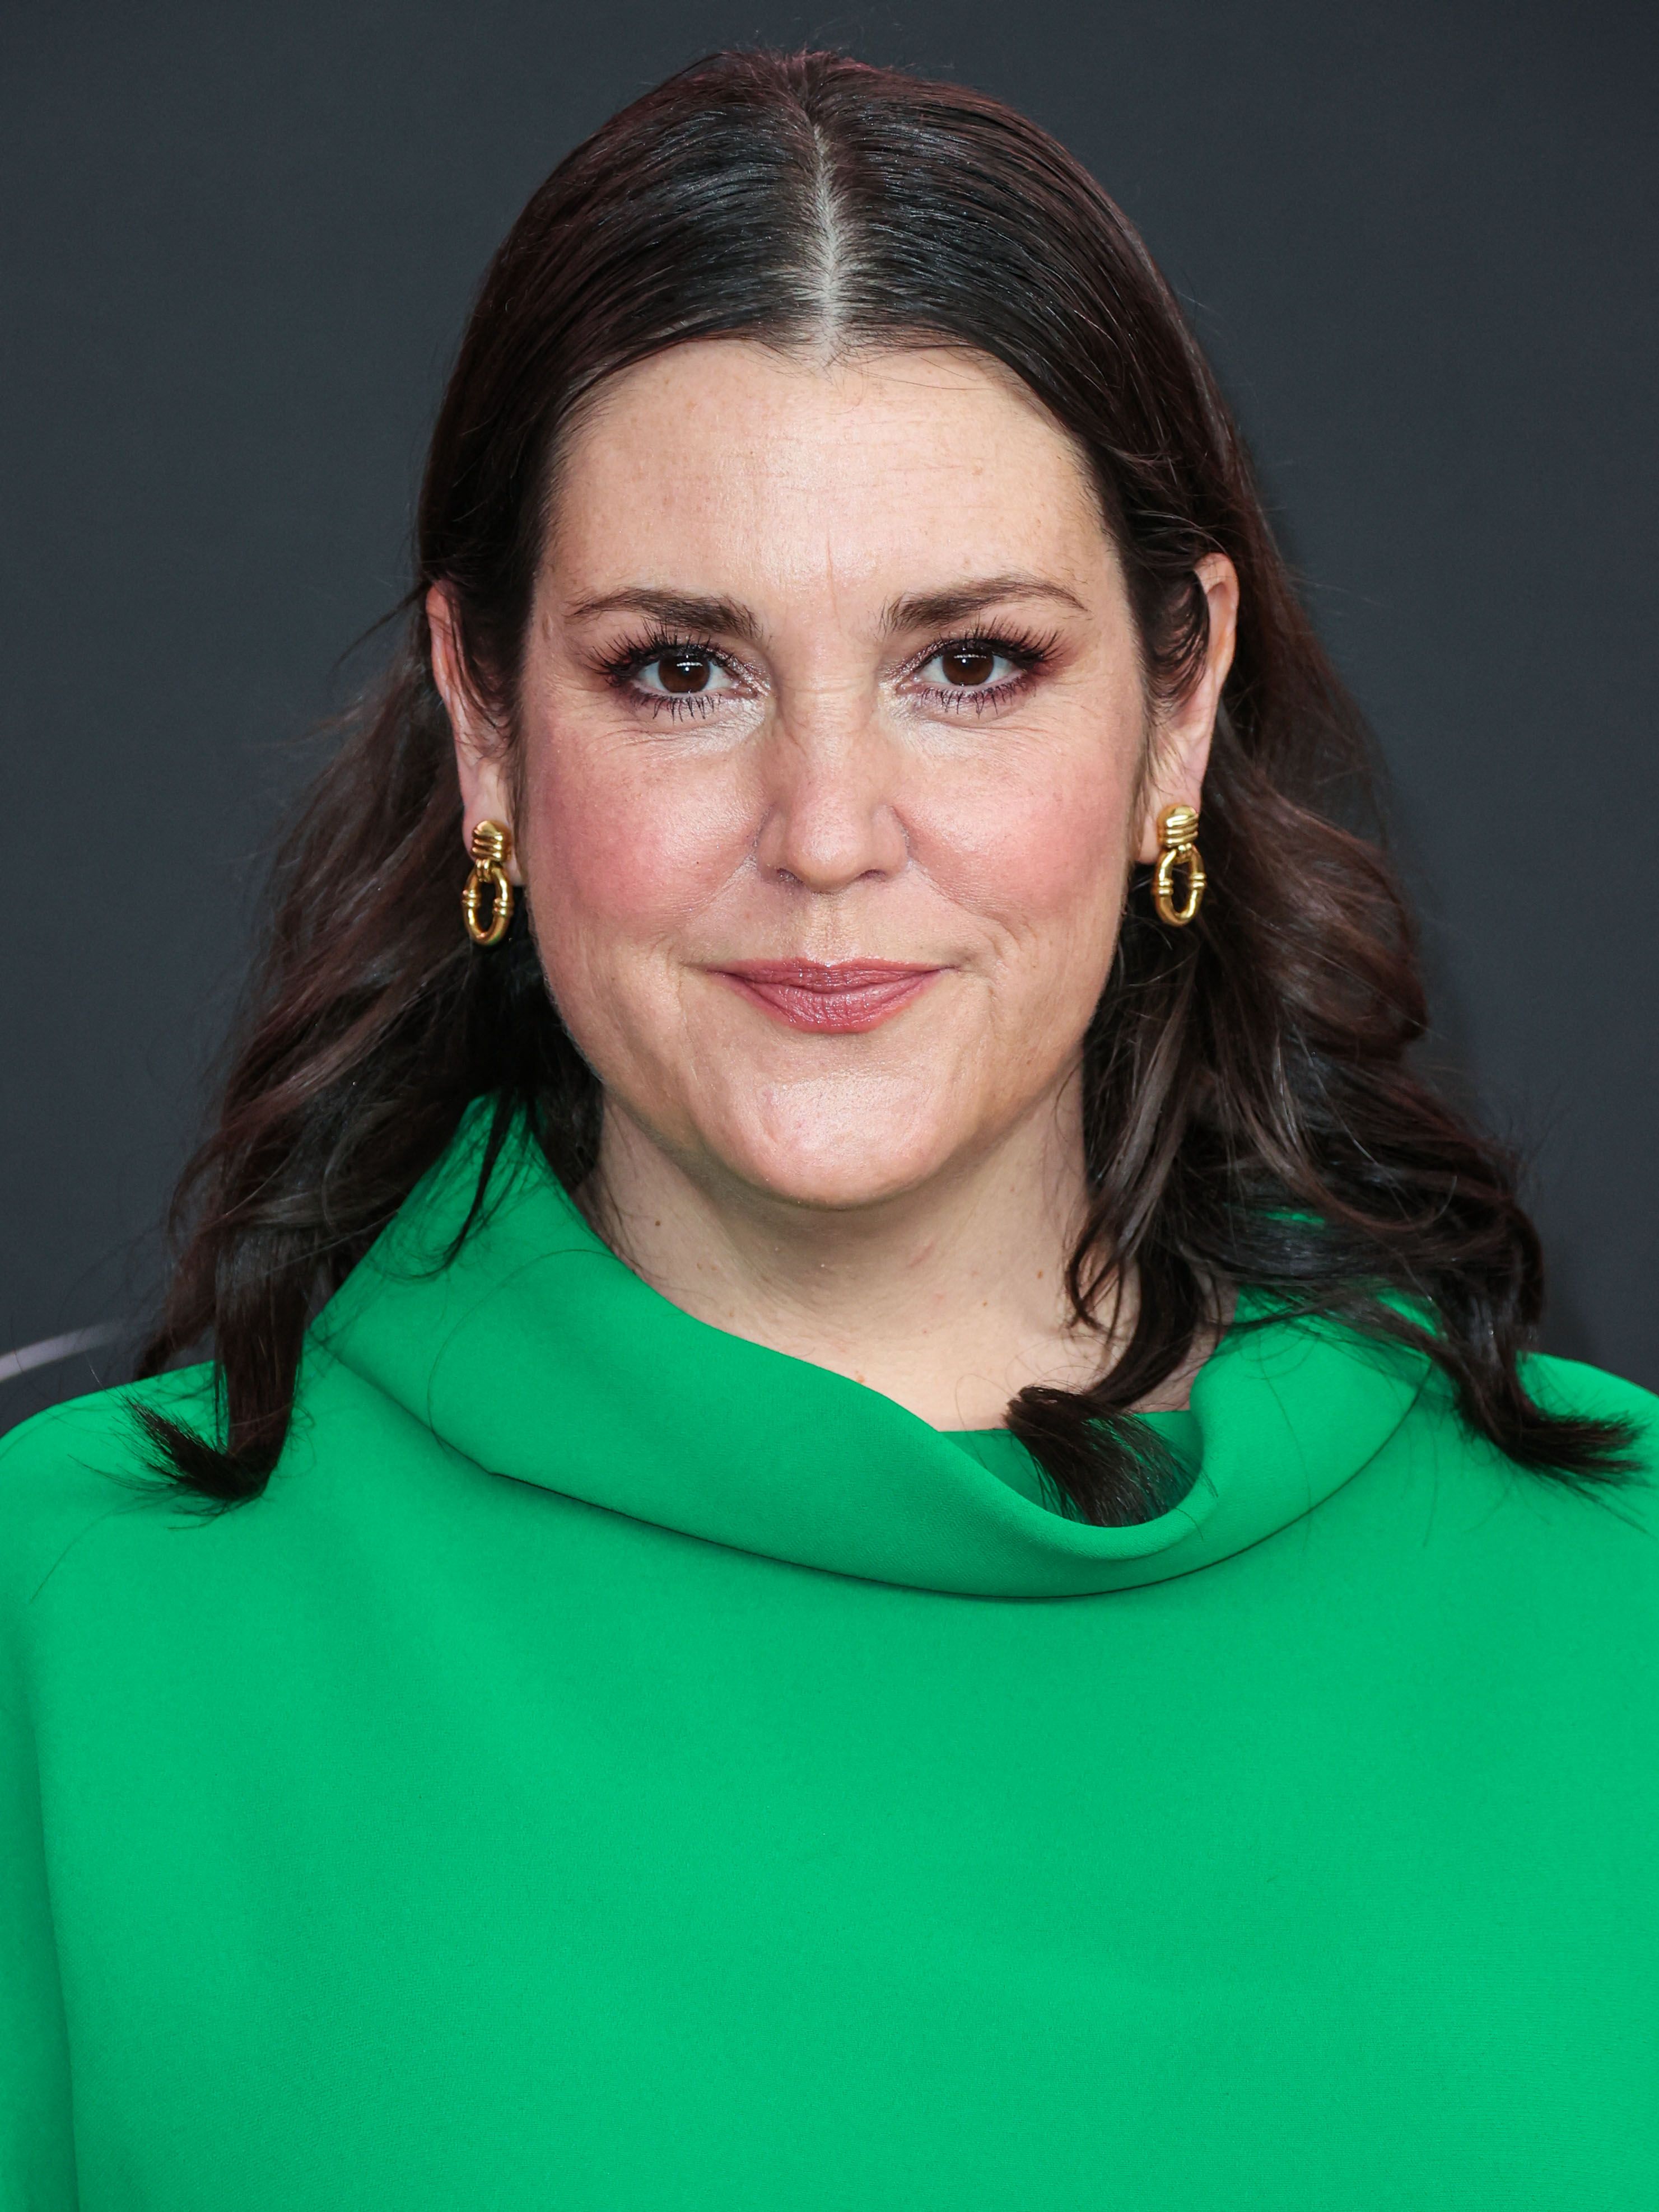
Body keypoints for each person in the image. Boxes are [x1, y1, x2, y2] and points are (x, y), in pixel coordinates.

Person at [2, 47, 1653, 2211]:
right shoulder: (71, 1616)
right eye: (682, 669)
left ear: (1179, 705)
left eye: (967, 664)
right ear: (484, 723)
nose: (827, 834)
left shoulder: (1615, 1613)